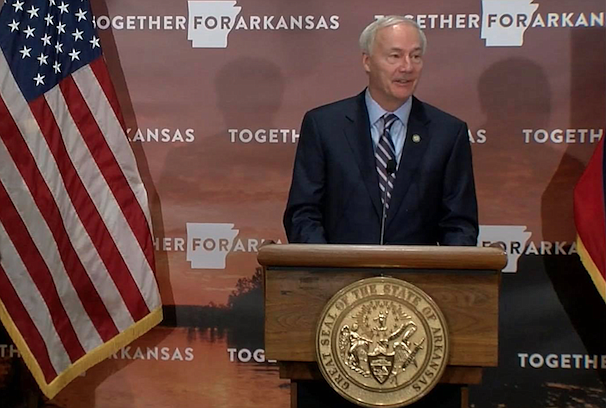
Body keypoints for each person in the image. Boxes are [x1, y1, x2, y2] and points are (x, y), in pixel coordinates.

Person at [284, 16, 478, 246]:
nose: (407, 67)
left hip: (417, 279)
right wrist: (327, 269)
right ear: (367, 61)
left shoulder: (447, 133)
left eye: (415, 56)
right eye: (395, 56)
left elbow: (460, 225)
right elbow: (303, 214)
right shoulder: (324, 126)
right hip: (339, 277)